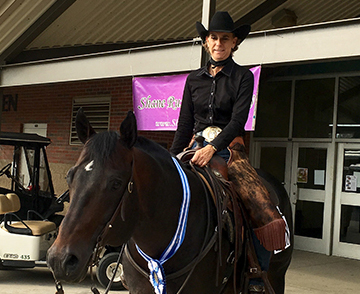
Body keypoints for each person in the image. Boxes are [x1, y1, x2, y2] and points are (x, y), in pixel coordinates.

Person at [170, 11, 288, 294]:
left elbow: (238, 120)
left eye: (225, 38)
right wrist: (172, 157)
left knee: (256, 199)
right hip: (194, 147)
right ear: (205, 42)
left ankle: (256, 273)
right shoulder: (193, 80)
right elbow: (184, 124)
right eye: (213, 37)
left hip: (229, 150)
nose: (218, 43)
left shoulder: (243, 77)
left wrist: (213, 148)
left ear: (234, 43)